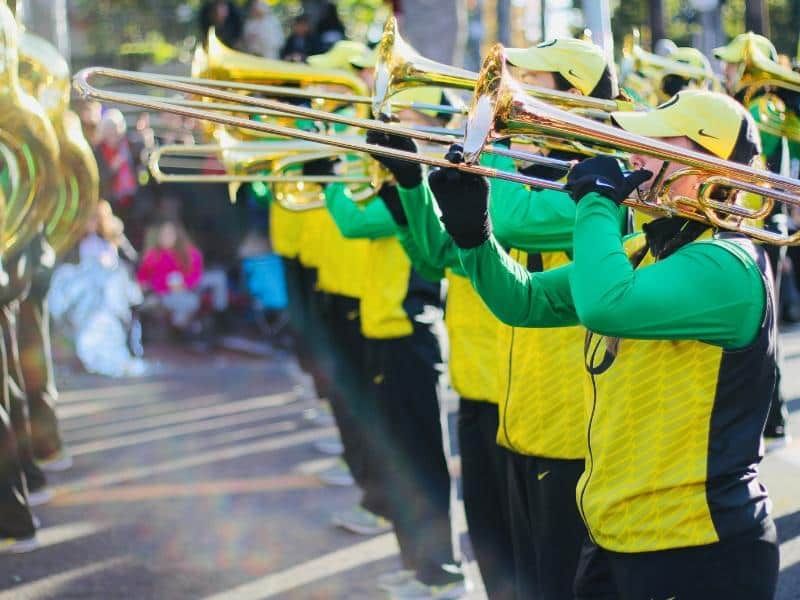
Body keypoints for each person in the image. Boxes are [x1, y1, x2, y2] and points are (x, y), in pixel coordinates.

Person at [433, 90, 778, 600]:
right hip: (618, 532)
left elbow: (605, 305)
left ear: (707, 163)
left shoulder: (729, 265)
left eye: (655, 141)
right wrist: (473, 236)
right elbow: (524, 302)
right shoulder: (647, 250)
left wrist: (595, 202)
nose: (632, 152)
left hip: (697, 546)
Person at [370, 37, 623, 600]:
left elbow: (508, 222)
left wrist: (486, 139)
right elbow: (442, 250)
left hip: (569, 431)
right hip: (514, 407)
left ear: (573, 98)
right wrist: (408, 182)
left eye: (533, 84)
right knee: (501, 565)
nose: (514, 95)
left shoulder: (601, 185)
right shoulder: (533, 169)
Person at [714, 32, 794, 449]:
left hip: (762, 219)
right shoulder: (755, 106)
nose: (727, 71)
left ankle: (772, 415)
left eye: (733, 65)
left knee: (765, 329)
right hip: (758, 219)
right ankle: (771, 415)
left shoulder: (761, 107)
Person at [93, 110, 138, 221]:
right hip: (111, 202)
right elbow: (98, 180)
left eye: (115, 130)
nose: (113, 134)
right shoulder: (97, 151)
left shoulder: (129, 145)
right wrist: (112, 169)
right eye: (109, 130)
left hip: (132, 200)